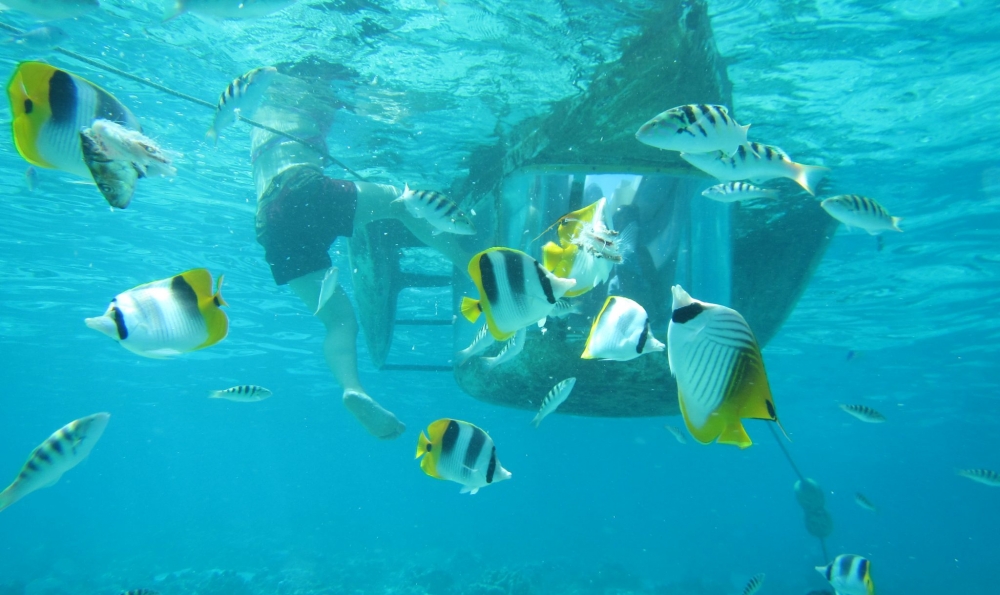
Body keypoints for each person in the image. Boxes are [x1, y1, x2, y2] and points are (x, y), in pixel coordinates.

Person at [250, 63, 471, 440]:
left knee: (338, 321)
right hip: (302, 186)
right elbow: (385, 105)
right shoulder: (308, 88)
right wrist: (437, 100)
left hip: (268, 219)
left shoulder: (260, 107)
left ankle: (353, 388)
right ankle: (473, 266)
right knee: (403, 203)